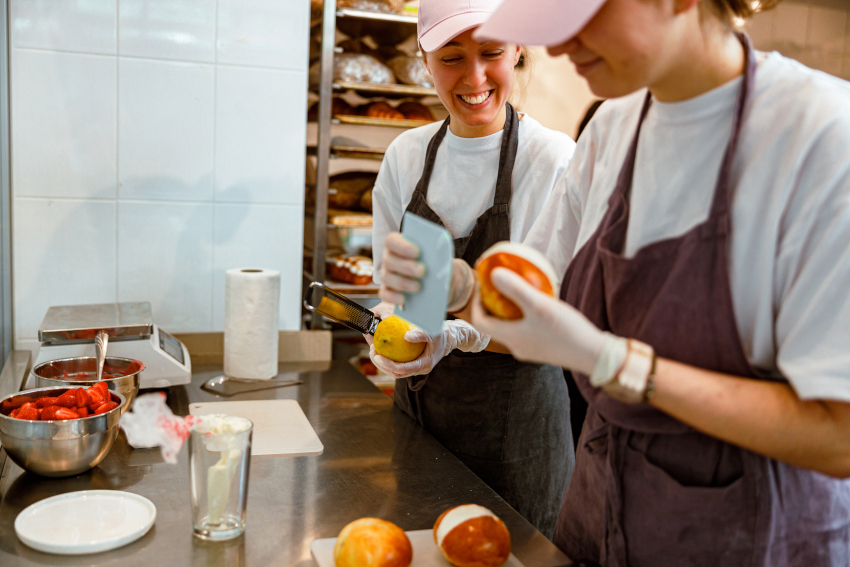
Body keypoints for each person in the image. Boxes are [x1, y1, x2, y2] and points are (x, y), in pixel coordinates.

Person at [466, 0, 850, 564]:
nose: (557, 44)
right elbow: (526, 306)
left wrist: (616, 364)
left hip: (749, 536)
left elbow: (838, 437)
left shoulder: (821, 137)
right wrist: (458, 295)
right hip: (595, 516)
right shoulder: (612, 128)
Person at [368, 0, 576, 539]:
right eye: (452, 57)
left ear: (519, 51)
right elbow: (398, 293)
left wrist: (459, 335)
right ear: (425, 61)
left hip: (519, 438)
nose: (475, 76)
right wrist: (390, 330)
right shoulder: (406, 156)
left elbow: (552, 322)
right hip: (420, 424)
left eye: (491, 53)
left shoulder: (552, 160)